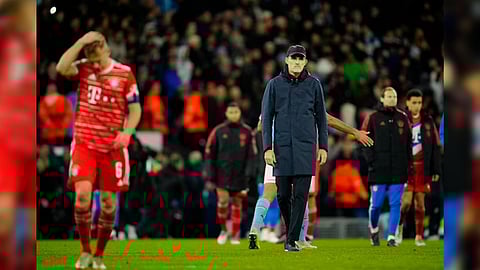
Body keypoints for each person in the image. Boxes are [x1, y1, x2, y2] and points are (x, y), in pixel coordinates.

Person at [56, 31, 142, 269]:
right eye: (90, 59)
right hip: (85, 143)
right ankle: (84, 251)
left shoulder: (124, 74)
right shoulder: (84, 68)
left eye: (97, 58)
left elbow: (135, 109)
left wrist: (127, 133)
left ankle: (99, 255)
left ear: (107, 49)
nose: (94, 64)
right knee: (82, 199)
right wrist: (81, 42)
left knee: (108, 204)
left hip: (112, 148)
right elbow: (62, 68)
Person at [248, 114, 373, 249]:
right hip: (301, 154)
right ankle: (302, 238)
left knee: (267, 195)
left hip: (275, 153)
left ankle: (255, 228)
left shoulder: (274, 101)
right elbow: (329, 120)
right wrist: (354, 131)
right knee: (302, 196)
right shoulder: (306, 102)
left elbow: (260, 127)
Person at [261, 45, 328, 252]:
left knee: (300, 195)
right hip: (281, 148)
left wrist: (323, 146)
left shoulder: (314, 85)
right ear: (287, 61)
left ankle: (291, 241)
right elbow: (267, 119)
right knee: (282, 196)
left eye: (301, 59)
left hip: (306, 148)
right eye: (294, 58)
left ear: (305, 62)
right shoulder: (274, 85)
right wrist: (267, 148)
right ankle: (293, 233)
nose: (298, 62)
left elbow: (322, 118)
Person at [361, 86, 413, 247]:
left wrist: (408, 164)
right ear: (382, 99)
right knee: (375, 205)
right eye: (389, 96)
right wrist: (371, 162)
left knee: (395, 204)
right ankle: (374, 229)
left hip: (398, 169)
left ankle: (391, 236)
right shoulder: (373, 118)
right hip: (378, 169)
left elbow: (409, 144)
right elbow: (364, 141)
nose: (392, 99)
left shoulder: (403, 118)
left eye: (394, 96)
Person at [204, 102, 256, 245]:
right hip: (222, 174)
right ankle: (223, 230)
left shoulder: (246, 132)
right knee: (223, 202)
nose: (233, 115)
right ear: (226, 114)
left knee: (237, 204)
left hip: (240, 175)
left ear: (240, 113)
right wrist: (209, 173)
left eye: (236, 112)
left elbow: (252, 155)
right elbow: (209, 153)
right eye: (231, 112)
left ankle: (235, 235)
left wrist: (249, 173)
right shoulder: (219, 131)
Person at [397, 89, 441, 246]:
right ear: (407, 103)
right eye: (414, 102)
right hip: (408, 167)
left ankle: (419, 236)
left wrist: (436, 169)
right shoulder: (401, 120)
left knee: (420, 204)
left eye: (419, 103)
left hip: (423, 168)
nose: (417, 106)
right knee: (406, 203)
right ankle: (399, 226)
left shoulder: (428, 120)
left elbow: (436, 145)